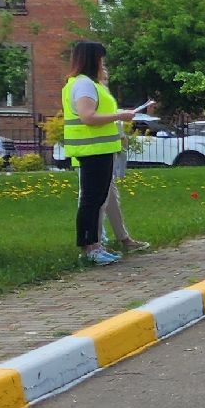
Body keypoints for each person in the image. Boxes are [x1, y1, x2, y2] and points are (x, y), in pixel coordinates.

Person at [62, 41, 146, 264]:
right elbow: (87, 117)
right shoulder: (84, 85)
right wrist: (120, 116)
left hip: (99, 149)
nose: (103, 64)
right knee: (92, 200)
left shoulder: (88, 84)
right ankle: (90, 246)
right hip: (93, 150)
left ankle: (94, 245)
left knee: (97, 198)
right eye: (101, 59)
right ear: (92, 60)